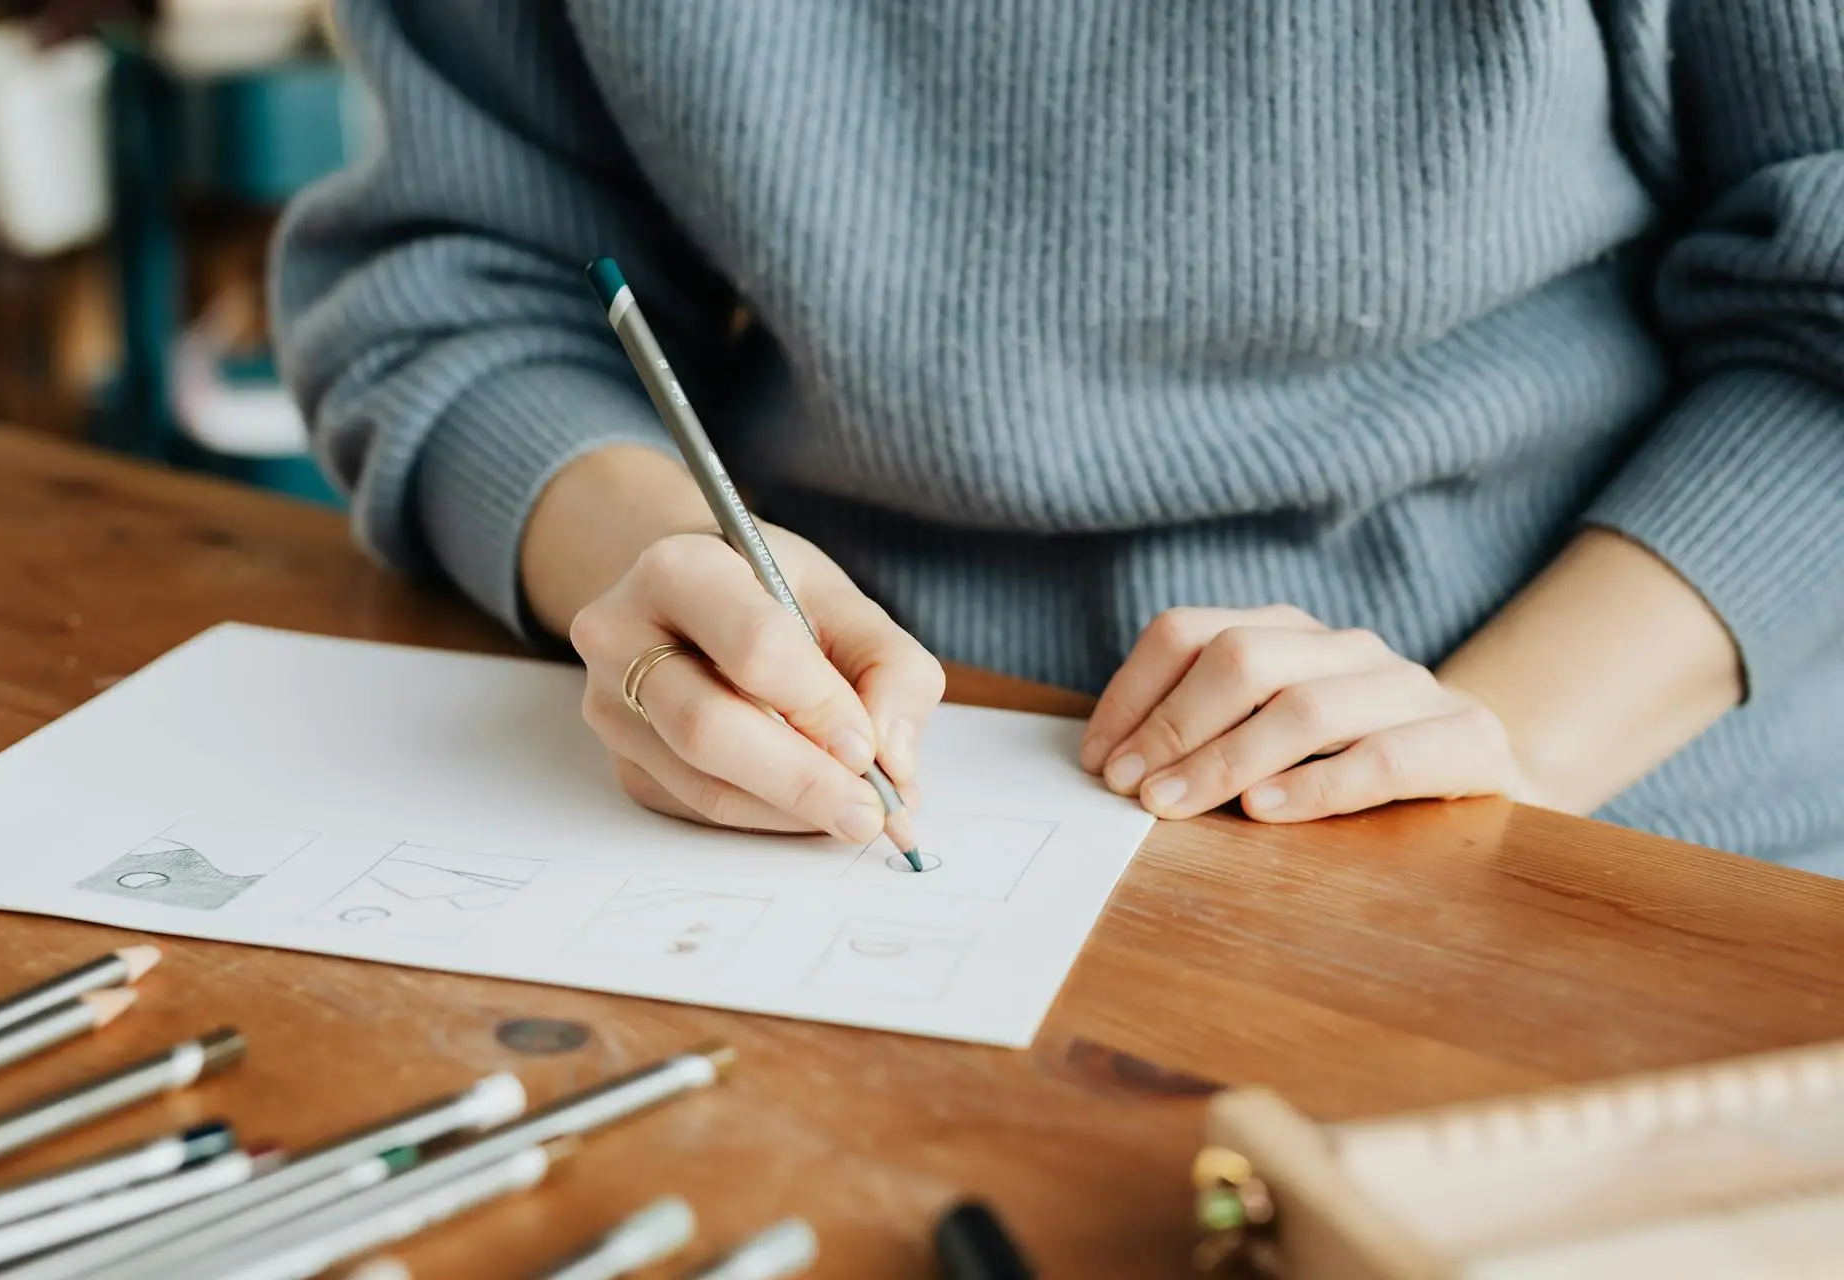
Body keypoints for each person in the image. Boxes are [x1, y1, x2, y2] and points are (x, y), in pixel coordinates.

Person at [272, 0, 1844, 876]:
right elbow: (466, 286)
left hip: (1616, 801)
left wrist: (1507, 743)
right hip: (847, 808)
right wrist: (661, 579)